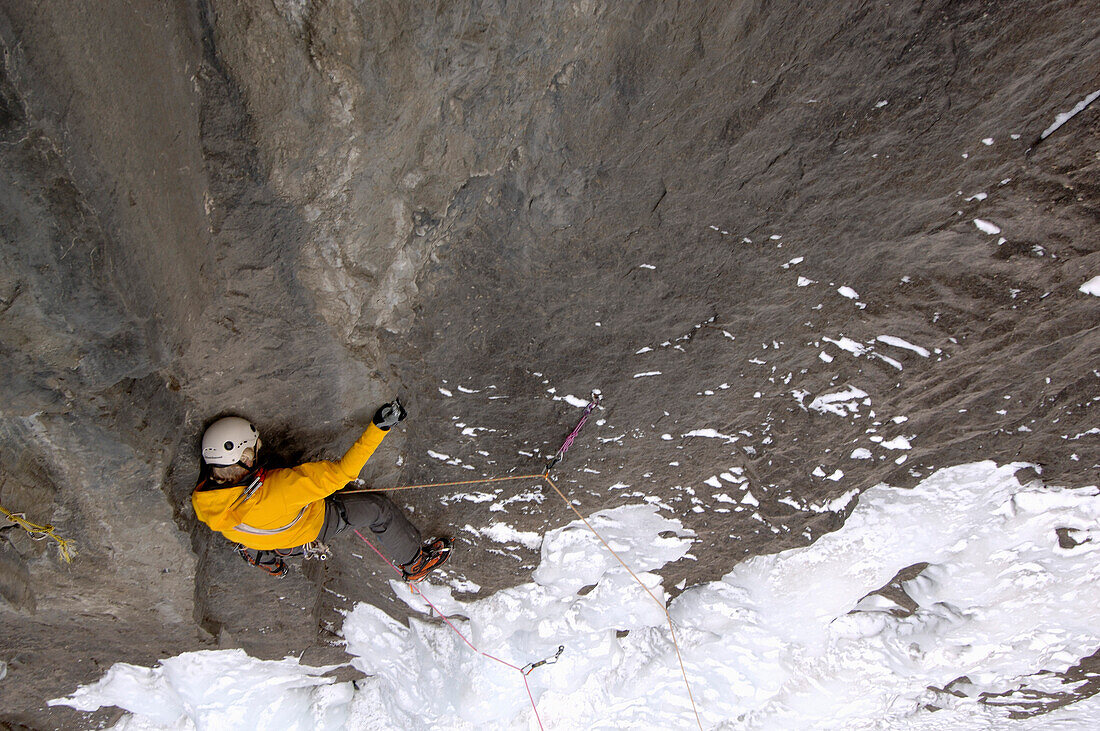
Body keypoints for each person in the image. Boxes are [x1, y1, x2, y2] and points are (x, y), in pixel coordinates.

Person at [192, 400, 451, 582]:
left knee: (247, 540)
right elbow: (342, 474)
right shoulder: (282, 488)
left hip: (261, 539)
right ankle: (414, 564)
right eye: (255, 449)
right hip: (310, 526)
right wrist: (378, 428)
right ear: (245, 458)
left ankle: (271, 565)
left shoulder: (205, 502)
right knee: (378, 510)